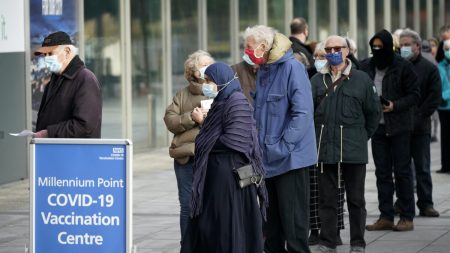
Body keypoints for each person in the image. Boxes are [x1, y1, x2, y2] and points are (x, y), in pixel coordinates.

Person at [244, 25, 317, 253]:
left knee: (294, 228)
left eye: (248, 47)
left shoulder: (292, 68)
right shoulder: (265, 69)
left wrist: (282, 147)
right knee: (271, 227)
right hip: (267, 160)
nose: (245, 52)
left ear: (263, 46)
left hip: (290, 160)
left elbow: (303, 113)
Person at [181, 62, 268, 253]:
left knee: (227, 225)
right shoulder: (222, 100)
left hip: (230, 175)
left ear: (222, 80)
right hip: (217, 173)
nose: (207, 85)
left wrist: (206, 137)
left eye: (210, 81)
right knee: (212, 225)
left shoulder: (236, 100)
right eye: (206, 81)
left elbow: (235, 139)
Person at [310, 35, 380, 253]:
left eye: (337, 48)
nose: (332, 52)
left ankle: (358, 242)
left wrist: (360, 137)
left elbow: (373, 114)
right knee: (327, 200)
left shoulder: (362, 79)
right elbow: (308, 114)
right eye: (328, 48)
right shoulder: (315, 81)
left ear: (347, 51)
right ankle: (328, 241)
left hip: (353, 150)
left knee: (356, 200)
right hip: (325, 148)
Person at [361, 29, 420, 232]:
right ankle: (385, 215)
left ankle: (406, 216)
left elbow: (414, 95)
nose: (377, 50)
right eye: (374, 47)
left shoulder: (403, 66)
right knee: (382, 173)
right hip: (377, 128)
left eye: (380, 46)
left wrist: (394, 105)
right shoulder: (367, 66)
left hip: (400, 126)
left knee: (402, 172)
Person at [163, 50, 214, 242]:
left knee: (210, 203)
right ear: (193, 71)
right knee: (187, 204)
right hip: (186, 158)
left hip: (210, 156)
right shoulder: (182, 95)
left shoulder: (220, 91)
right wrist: (191, 118)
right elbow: (170, 120)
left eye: (211, 63)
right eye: (203, 65)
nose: (208, 68)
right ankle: (188, 244)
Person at [398, 29, 442, 217]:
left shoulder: (429, 68)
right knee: (401, 168)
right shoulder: (397, 66)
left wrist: (420, 115)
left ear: (417, 45)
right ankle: (402, 203)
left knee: (423, 167)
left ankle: (426, 203)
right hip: (400, 126)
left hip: (420, 125)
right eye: (401, 45)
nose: (404, 48)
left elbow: (434, 96)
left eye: (407, 44)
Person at [308, 41, 346, 248]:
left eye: (325, 55)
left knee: (338, 189)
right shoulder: (313, 79)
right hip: (315, 140)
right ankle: (315, 229)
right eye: (318, 55)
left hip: (338, 141)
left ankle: (336, 229)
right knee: (315, 189)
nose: (321, 59)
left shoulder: (348, 76)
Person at [34, 31, 102, 138]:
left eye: (50, 53)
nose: (46, 58)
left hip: (76, 153)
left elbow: (85, 125)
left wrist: (48, 133)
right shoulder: (53, 81)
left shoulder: (85, 79)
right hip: (54, 151)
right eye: (44, 55)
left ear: (67, 51)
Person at [436, 39, 450, 174]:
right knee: (445, 137)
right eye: (447, 48)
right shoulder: (440, 66)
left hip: (445, 100)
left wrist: (445, 95)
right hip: (443, 107)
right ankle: (445, 164)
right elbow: (438, 84)